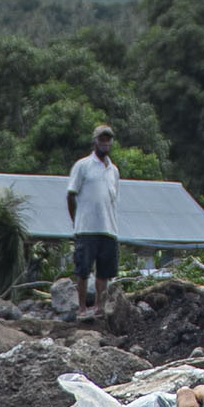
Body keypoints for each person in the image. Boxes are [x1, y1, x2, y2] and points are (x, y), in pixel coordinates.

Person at [67, 125, 125, 313]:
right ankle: (82, 308)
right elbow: (71, 195)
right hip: (86, 228)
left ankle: (100, 308)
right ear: (95, 141)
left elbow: (113, 200)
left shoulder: (113, 170)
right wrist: (76, 221)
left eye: (108, 140)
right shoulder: (83, 165)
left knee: (104, 272)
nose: (105, 143)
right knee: (83, 270)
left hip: (108, 228)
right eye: (102, 139)